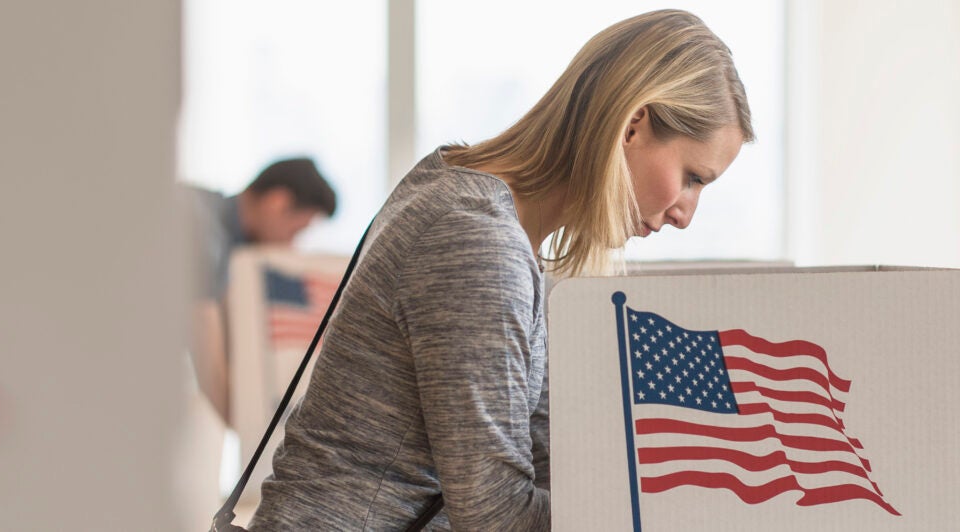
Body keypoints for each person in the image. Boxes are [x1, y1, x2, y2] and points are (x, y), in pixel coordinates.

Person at [247, 10, 754, 530]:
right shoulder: (476, 237)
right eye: (692, 177)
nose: (686, 215)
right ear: (631, 125)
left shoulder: (471, 198)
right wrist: (674, 515)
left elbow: (537, 451)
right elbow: (496, 517)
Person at [185, 158, 337, 423]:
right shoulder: (207, 232)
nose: (291, 245)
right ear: (277, 202)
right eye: (296, 230)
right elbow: (208, 362)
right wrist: (254, 433)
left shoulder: (212, 220)